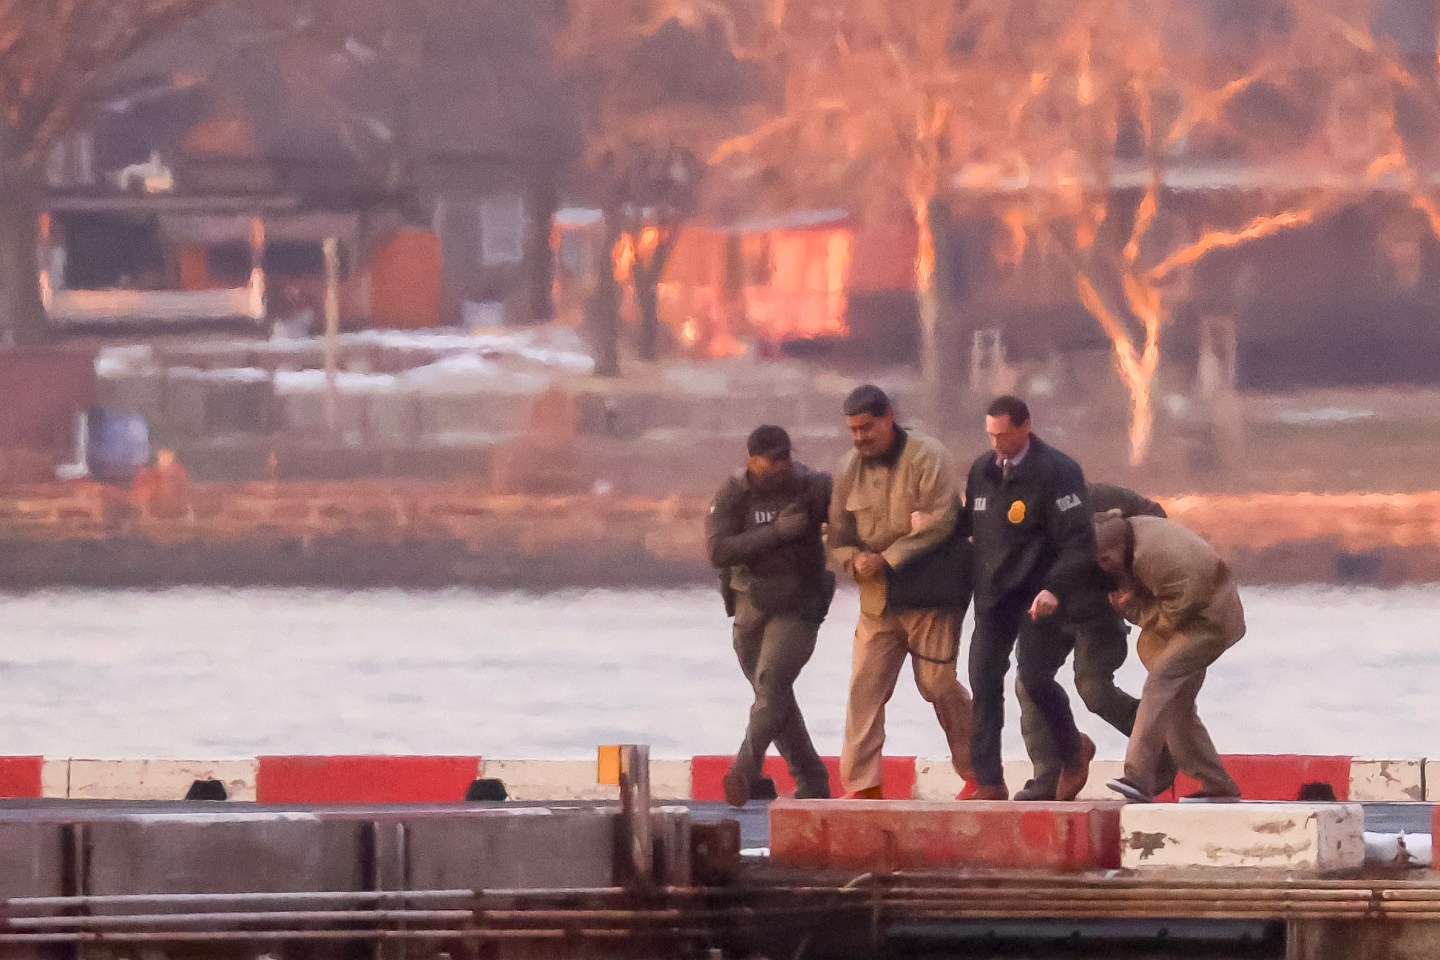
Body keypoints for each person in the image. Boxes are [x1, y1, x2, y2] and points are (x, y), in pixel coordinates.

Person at [829, 385, 974, 799]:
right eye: (853, 430)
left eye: (867, 428)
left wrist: (888, 555)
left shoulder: (928, 457)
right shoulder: (846, 471)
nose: (860, 438)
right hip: (877, 600)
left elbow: (942, 521)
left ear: (889, 417)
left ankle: (978, 770)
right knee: (864, 688)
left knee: (937, 685)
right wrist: (851, 560)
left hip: (930, 596)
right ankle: (863, 785)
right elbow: (837, 536)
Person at [964, 395, 1095, 802]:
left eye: (1004, 435)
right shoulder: (982, 471)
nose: (997, 444)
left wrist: (1054, 588)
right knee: (983, 681)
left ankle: (1073, 754)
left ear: (1025, 427)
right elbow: (972, 525)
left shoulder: (1057, 471)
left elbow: (1079, 542)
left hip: (1039, 594)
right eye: (991, 436)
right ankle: (988, 780)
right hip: (992, 595)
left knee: (1035, 680)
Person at [1012, 482, 1172, 801]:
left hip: (1099, 612)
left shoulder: (1100, 499)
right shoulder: (1015, 510)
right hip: (1047, 613)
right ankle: (1050, 772)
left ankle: (1162, 751)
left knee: (1094, 689)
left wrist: (1130, 577)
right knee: (1029, 684)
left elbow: (1156, 518)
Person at [706, 425, 834, 806]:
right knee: (772, 698)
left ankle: (743, 771)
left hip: (799, 603)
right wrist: (777, 533)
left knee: (773, 682)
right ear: (753, 459)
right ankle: (811, 780)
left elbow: (846, 522)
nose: (782, 465)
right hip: (750, 606)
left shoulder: (812, 487)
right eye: (773, 458)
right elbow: (719, 551)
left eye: (786, 456)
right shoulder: (734, 494)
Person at [1095, 511, 1246, 803]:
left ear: (1118, 548)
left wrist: (1135, 608)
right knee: (1178, 706)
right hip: (1192, 613)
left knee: (1160, 681)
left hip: (1208, 620)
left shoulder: (1154, 557)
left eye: (1104, 560)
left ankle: (1137, 777)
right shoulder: (1128, 539)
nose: (1103, 568)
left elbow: (1180, 610)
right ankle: (1218, 785)